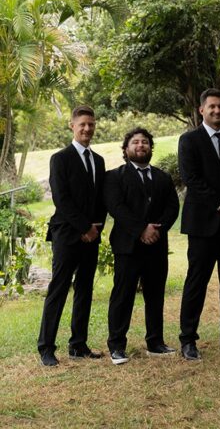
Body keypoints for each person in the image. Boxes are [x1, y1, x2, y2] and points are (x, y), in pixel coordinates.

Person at [177, 89, 220, 360]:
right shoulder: (189, 140)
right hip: (203, 224)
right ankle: (188, 340)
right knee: (197, 282)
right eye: (212, 107)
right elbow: (190, 178)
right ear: (201, 110)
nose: (217, 111)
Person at [37, 105, 107, 367]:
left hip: (92, 235)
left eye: (91, 124)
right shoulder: (60, 158)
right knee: (59, 289)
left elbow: (102, 198)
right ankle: (46, 347)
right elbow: (61, 199)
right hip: (67, 234)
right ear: (72, 126)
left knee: (85, 290)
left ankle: (78, 345)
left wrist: (96, 228)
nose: (87, 129)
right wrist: (83, 228)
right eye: (82, 125)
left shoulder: (98, 160)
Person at [104, 127, 180, 364]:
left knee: (155, 295)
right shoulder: (114, 177)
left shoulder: (163, 177)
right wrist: (141, 230)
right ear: (126, 149)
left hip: (156, 246)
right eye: (135, 142)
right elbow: (116, 208)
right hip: (128, 246)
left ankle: (155, 342)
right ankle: (117, 346)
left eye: (145, 142)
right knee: (123, 296)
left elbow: (172, 207)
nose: (141, 146)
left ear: (150, 147)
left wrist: (157, 229)